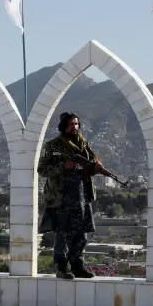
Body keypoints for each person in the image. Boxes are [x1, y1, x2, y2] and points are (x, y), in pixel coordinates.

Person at [37, 111, 108, 279]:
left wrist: (96, 167)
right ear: (63, 126)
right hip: (62, 197)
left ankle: (77, 266)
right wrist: (63, 166)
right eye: (70, 124)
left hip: (82, 197)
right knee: (63, 234)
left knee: (81, 234)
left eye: (76, 124)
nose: (74, 127)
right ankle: (61, 268)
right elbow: (42, 170)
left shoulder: (83, 144)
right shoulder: (53, 146)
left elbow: (92, 164)